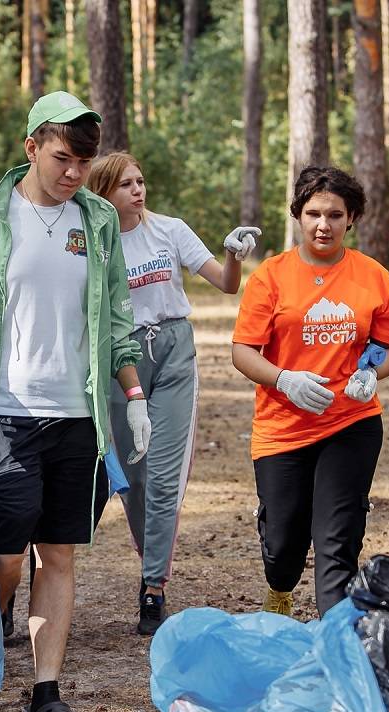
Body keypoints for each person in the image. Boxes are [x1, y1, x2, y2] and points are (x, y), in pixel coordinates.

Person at [0, 92, 149, 712]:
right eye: (61, 158)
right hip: (10, 411)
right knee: (6, 546)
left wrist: (132, 397)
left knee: (60, 554)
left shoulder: (97, 222)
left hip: (79, 419)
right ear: (30, 148)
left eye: (82, 161)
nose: (73, 173)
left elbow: (117, 319)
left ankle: (45, 689)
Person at [86, 152, 259, 635]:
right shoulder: (94, 244)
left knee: (165, 479)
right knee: (135, 479)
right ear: (104, 192)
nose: (138, 190)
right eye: (126, 184)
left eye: (141, 181)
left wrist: (233, 255)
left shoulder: (170, 230)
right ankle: (152, 556)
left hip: (174, 353)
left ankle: (153, 584)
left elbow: (226, 285)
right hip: (121, 361)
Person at [231, 165, 389, 618]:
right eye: (313, 214)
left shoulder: (373, 276)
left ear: (352, 219)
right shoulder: (270, 276)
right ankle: (280, 591)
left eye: (334, 215)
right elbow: (243, 352)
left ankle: (335, 642)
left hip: (351, 424)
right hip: (282, 428)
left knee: (337, 544)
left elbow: (388, 349)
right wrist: (284, 379)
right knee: (284, 542)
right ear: (298, 217)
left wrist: (372, 374)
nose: (323, 224)